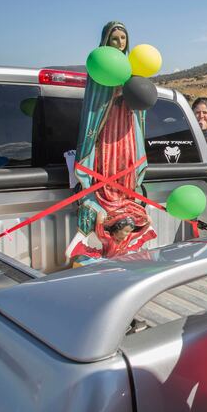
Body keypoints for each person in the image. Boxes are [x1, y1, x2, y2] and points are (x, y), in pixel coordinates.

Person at [66, 21, 155, 264]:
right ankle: (102, 220)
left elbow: (141, 103)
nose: (119, 43)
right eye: (114, 39)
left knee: (126, 170)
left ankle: (123, 238)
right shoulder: (101, 68)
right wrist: (113, 94)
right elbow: (94, 109)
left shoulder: (134, 69)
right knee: (106, 169)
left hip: (127, 132)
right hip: (106, 133)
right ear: (106, 41)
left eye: (123, 39)